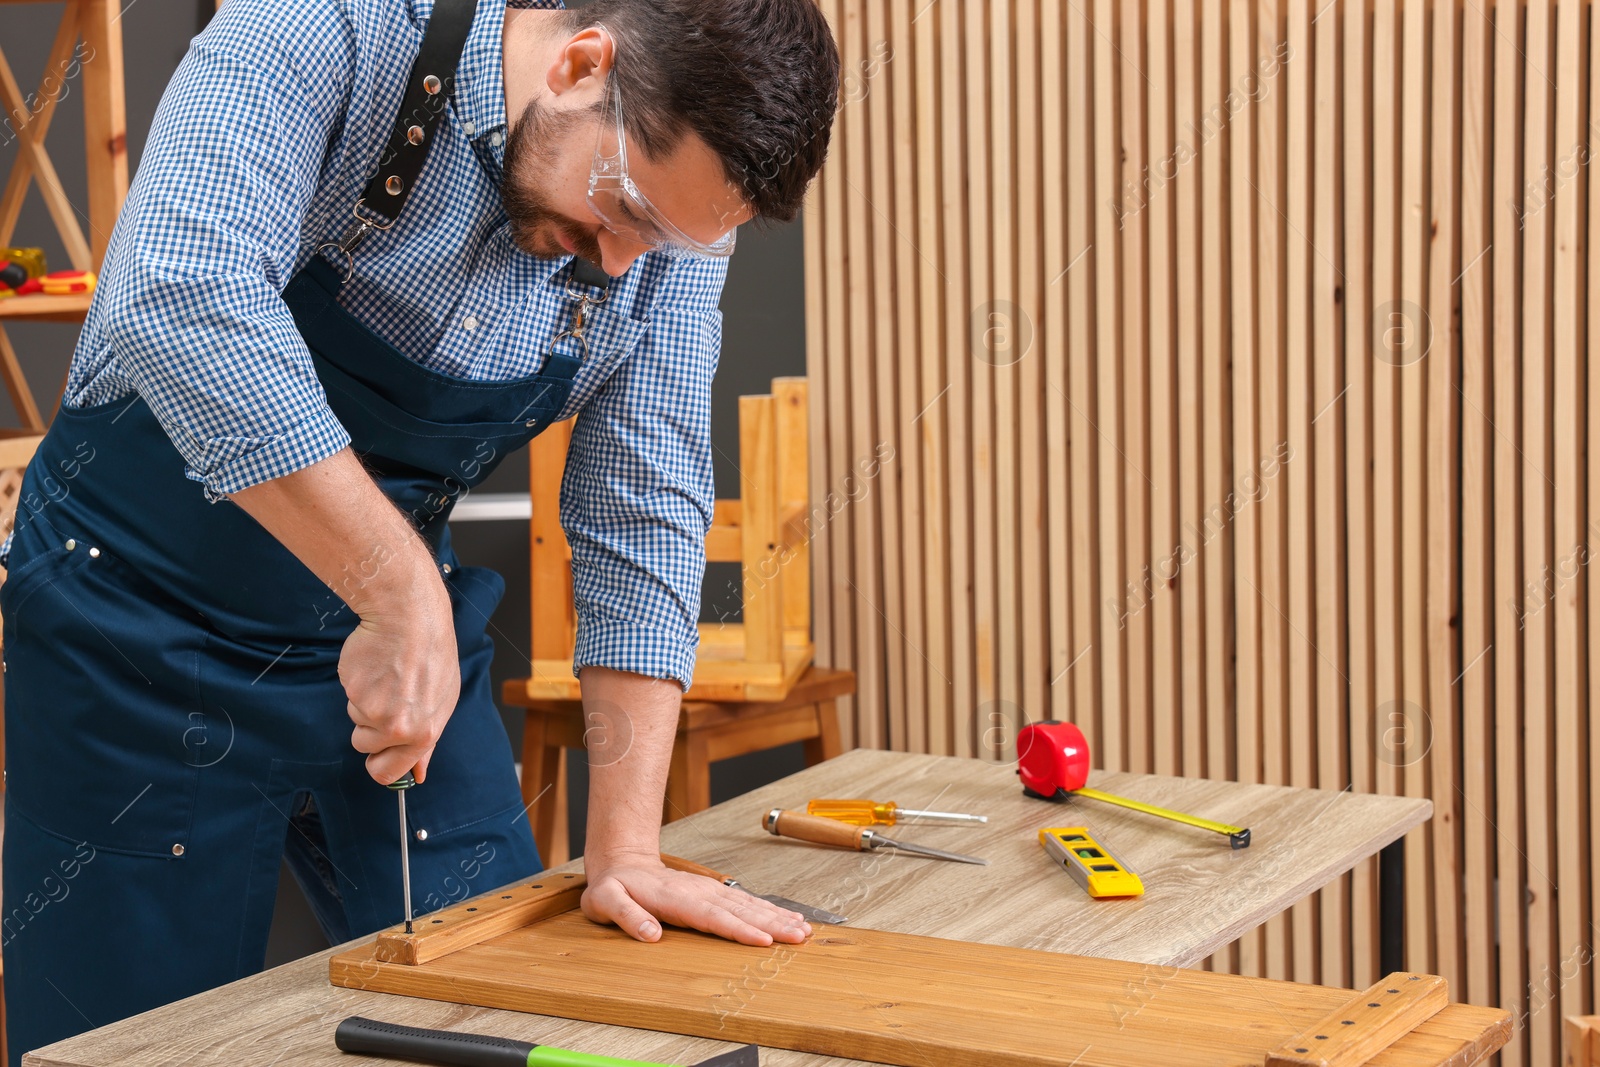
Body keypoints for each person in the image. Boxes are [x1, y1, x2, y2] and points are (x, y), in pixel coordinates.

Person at [0, 0, 839, 1059]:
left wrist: (625, 844)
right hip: (133, 630)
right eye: (620, 209)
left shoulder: (666, 209)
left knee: (507, 1001)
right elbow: (181, 292)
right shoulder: (327, 29)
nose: (624, 263)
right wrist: (396, 586)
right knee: (133, 1040)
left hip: (407, 653)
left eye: (663, 240)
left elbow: (646, 495)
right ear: (582, 65)